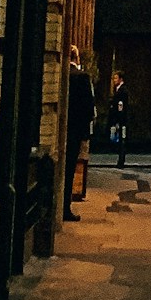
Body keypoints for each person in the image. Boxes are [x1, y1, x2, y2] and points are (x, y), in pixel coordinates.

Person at [63, 47, 95, 217]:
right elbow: (89, 107)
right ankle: (65, 208)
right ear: (77, 58)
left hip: (63, 128)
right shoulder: (82, 77)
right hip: (75, 130)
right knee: (69, 170)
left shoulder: (62, 74)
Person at [108, 74, 130, 170]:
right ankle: (120, 160)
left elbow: (120, 106)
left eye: (116, 78)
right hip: (119, 119)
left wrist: (118, 120)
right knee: (119, 139)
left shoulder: (122, 91)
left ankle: (121, 161)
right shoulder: (118, 90)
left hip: (121, 120)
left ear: (121, 79)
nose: (114, 80)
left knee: (122, 140)